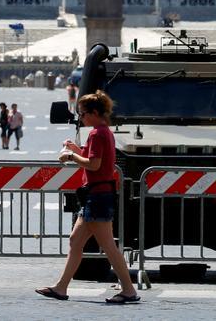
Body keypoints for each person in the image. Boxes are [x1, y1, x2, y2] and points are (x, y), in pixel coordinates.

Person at [35, 91, 139, 304]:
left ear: (93, 113)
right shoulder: (104, 132)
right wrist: (77, 148)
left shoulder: (96, 134)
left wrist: (70, 155)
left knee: (108, 246)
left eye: (82, 114)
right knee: (76, 241)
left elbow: (94, 164)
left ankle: (129, 290)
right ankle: (61, 287)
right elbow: (94, 157)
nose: (81, 118)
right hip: (98, 194)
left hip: (98, 195)